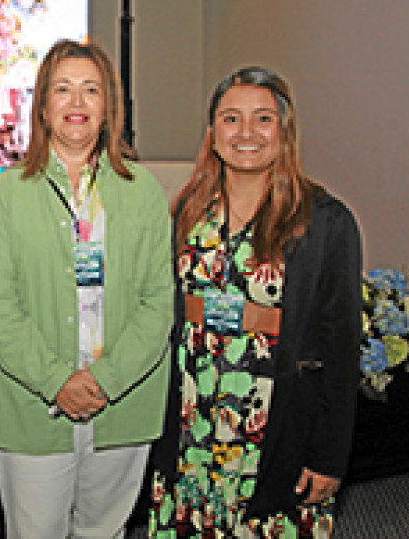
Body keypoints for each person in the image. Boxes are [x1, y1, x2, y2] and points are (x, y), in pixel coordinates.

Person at [147, 67, 362, 537]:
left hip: (275, 430)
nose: (246, 133)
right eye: (231, 119)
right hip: (192, 424)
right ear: (212, 131)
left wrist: (329, 457)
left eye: (262, 119)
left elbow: (341, 352)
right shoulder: (189, 211)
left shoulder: (325, 222)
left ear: (283, 132)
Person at [0, 39, 174, 538]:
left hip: (122, 404)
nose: (77, 103)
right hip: (32, 406)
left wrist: (106, 380)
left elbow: (158, 304)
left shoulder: (144, 192)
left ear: (110, 105)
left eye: (91, 90)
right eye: (62, 90)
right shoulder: (9, 192)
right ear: (42, 107)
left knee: (102, 531)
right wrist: (56, 381)